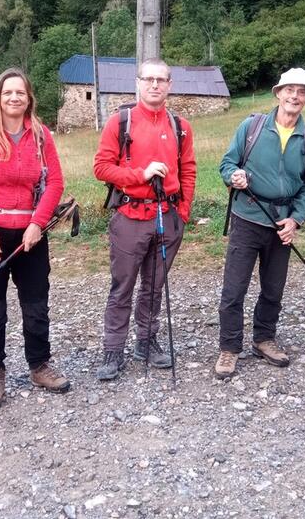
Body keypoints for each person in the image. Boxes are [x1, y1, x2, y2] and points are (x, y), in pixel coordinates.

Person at [0, 68, 69, 409]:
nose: (14, 98)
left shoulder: (41, 135)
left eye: (20, 92)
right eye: (8, 93)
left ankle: (39, 365)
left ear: (29, 98)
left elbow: (55, 183)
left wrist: (38, 222)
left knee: (36, 306)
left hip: (31, 236)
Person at [93, 57, 197, 381]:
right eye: (148, 79)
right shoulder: (120, 122)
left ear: (170, 85)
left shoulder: (180, 126)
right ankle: (113, 349)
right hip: (130, 217)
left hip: (168, 216)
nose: (154, 85)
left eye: (160, 80)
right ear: (137, 82)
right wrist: (141, 174)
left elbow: (189, 169)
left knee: (154, 286)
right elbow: (101, 168)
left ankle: (147, 341)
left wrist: (183, 212)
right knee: (122, 287)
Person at [215, 67, 305, 379]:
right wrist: (232, 176)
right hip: (247, 217)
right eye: (289, 90)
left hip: (281, 224)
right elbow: (227, 163)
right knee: (234, 289)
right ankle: (229, 348)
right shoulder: (252, 126)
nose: (294, 96)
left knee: (273, 288)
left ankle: (264, 339)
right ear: (278, 93)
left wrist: (296, 220)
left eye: (301, 92)